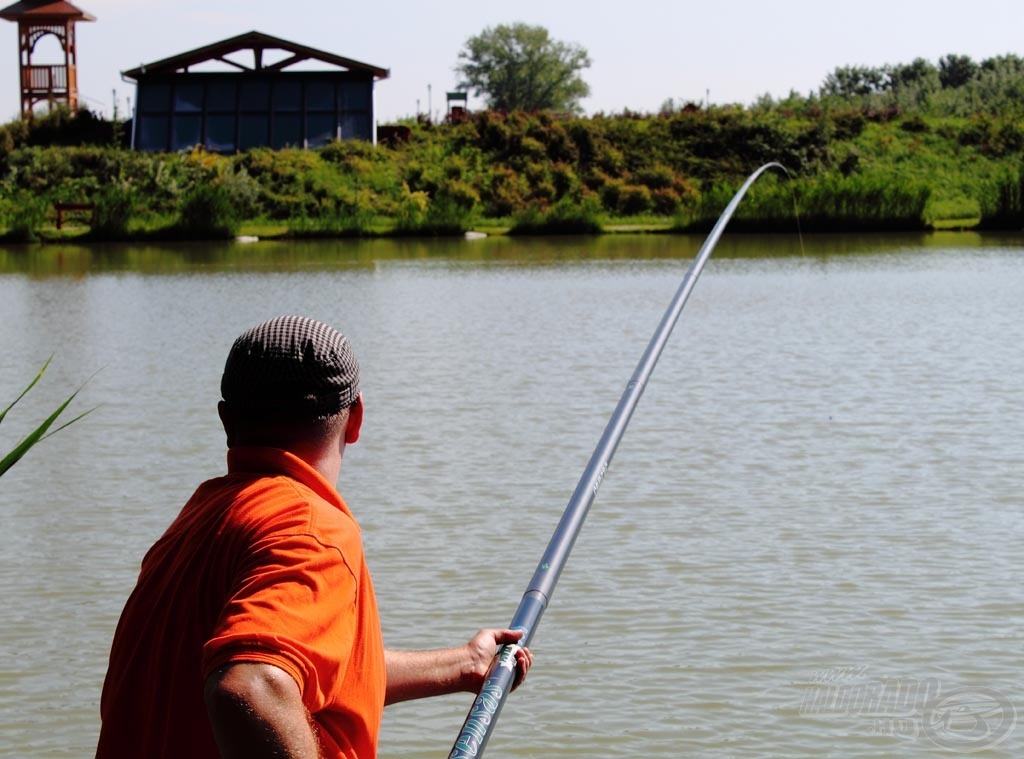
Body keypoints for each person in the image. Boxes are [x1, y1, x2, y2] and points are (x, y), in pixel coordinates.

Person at [96, 315, 532, 759]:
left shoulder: (192, 527)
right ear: (356, 417)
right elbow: (250, 686)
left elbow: (313, 670)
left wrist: (462, 666)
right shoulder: (312, 530)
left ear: (227, 420)